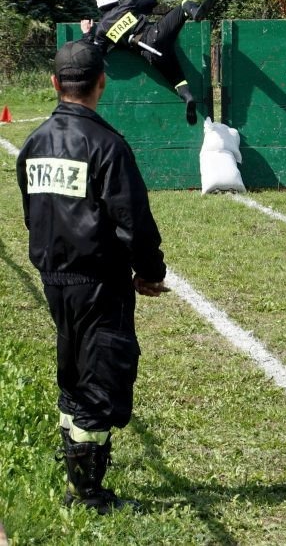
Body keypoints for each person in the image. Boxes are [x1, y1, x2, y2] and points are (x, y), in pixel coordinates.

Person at [16, 40, 170, 514]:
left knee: (74, 372)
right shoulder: (107, 145)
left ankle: (77, 469)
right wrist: (149, 271)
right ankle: (89, 495)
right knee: (102, 378)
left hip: (53, 278)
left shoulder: (34, 143)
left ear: (54, 83)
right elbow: (132, 220)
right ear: (102, 83)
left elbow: (31, 210)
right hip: (99, 282)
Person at [80, 0, 213, 126]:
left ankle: (188, 97)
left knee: (177, 79)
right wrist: (138, 3)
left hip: (150, 55)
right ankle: (194, 11)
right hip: (158, 35)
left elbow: (95, 53)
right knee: (183, 4)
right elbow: (152, 2)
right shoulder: (127, 5)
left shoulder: (101, 31)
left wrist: (87, 33)